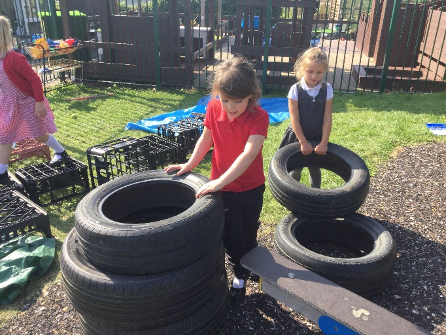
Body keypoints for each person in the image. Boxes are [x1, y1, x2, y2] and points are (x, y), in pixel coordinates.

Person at [165, 56, 269, 303]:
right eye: (225, 99)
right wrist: (190, 164)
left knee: (249, 227)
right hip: (224, 189)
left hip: (252, 186)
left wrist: (220, 180)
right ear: (217, 95)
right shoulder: (213, 108)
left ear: (251, 97)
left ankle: (252, 262)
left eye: (237, 101)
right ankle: (240, 275)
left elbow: (248, 153)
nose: (230, 107)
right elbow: (206, 138)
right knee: (231, 234)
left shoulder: (259, 117)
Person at [0, 15, 69, 184]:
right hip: (8, 105)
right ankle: (2, 173)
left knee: (38, 135)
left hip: (26, 103)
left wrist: (39, 102)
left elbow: (35, 79)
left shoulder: (14, 58)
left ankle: (61, 152)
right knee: (4, 136)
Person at [279, 46, 333, 188]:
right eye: (310, 71)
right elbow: (294, 118)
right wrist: (303, 142)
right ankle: (295, 195)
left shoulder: (327, 89)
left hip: (316, 135)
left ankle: (316, 194)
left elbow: (327, 117)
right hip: (298, 136)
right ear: (302, 69)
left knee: (315, 167)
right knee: (296, 168)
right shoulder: (295, 90)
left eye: (319, 72)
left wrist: (324, 142)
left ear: (324, 71)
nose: (314, 76)